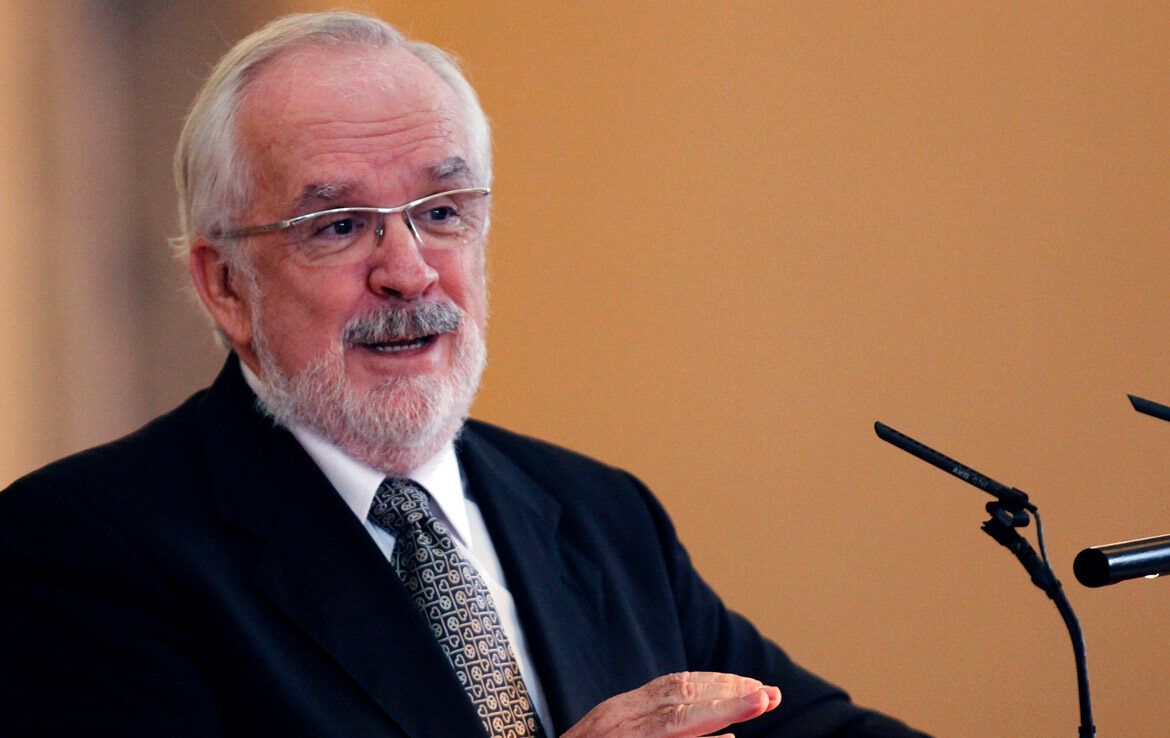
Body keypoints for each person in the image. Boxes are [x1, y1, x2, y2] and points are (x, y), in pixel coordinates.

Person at [0, 11, 930, 738]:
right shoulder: (84, 549)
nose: (408, 271)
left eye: (442, 211)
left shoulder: (602, 516)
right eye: (337, 226)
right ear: (226, 285)